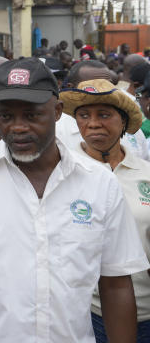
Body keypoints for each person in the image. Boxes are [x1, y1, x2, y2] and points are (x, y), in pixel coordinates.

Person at [0, 58, 147, 342]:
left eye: (31, 116)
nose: (18, 127)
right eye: (6, 116)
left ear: (57, 112)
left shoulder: (99, 184)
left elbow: (116, 283)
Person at [60, 78, 150, 341]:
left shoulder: (146, 174)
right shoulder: (63, 176)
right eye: (83, 115)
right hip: (91, 315)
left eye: (104, 114)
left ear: (123, 121)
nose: (93, 123)